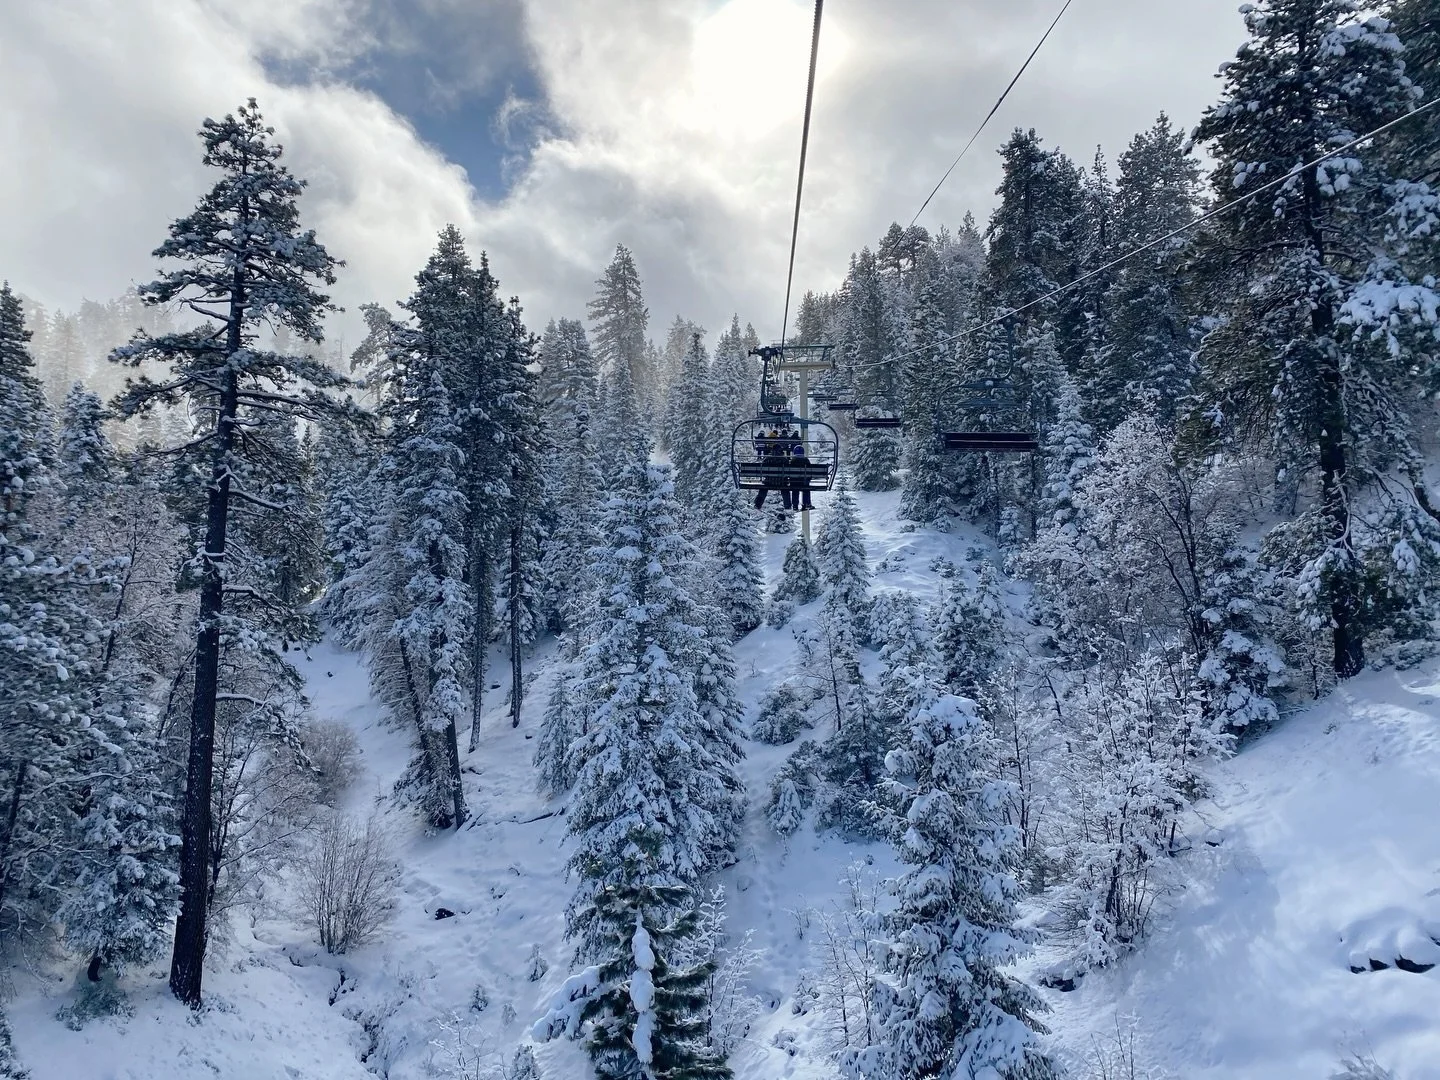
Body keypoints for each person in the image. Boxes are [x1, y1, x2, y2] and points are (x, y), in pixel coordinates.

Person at [788, 434, 814, 511]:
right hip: (804, 482)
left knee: (795, 490)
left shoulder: (792, 461)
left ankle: (795, 505)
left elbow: (789, 472)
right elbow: (810, 471)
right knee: (806, 489)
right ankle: (806, 504)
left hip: (794, 482)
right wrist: (808, 479)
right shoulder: (806, 460)